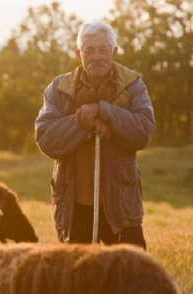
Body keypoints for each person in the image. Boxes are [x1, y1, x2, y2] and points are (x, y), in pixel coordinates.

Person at [35, 21, 155, 249]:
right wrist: (86, 122)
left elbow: (144, 131)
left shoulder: (133, 85)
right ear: (78, 53)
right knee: (76, 279)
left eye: (103, 49)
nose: (96, 56)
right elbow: (46, 137)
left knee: (129, 276)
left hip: (120, 204)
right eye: (89, 50)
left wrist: (104, 110)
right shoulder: (59, 88)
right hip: (74, 205)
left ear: (114, 51)